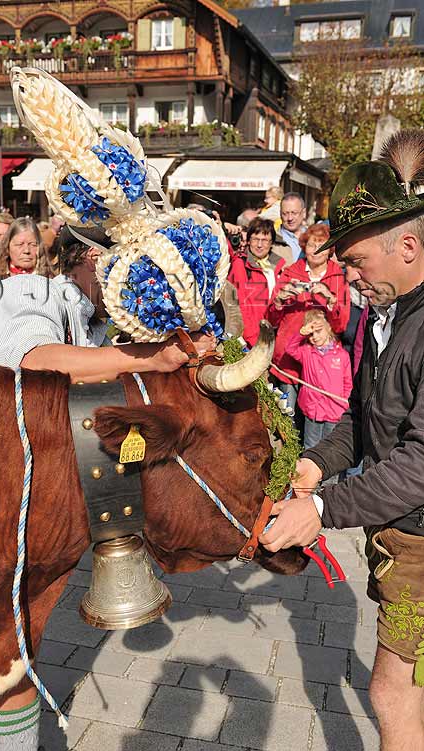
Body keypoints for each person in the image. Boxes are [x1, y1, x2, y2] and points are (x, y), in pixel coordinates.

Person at [260, 129, 424, 751]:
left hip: (422, 541)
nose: (348, 279)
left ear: (407, 246)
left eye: (357, 262)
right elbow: (359, 419)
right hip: (399, 536)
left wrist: (322, 510)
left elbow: (420, 462)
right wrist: (313, 467)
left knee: (389, 692)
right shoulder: (383, 320)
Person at [0, 225, 214, 382]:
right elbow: (38, 364)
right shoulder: (30, 288)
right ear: (96, 258)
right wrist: (156, 356)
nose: (143, 289)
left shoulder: (96, 332)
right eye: (138, 272)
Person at [266, 222, 350, 416]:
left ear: (330, 250)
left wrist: (330, 299)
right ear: (304, 246)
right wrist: (279, 300)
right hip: (289, 358)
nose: (316, 250)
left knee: (316, 419)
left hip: (322, 364)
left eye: (322, 245)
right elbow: (271, 319)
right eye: (312, 245)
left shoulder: (337, 277)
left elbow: (341, 325)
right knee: (287, 416)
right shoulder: (291, 272)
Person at [286, 309, 352, 452]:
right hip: (312, 410)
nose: (314, 337)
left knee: (331, 450)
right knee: (311, 446)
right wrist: (301, 333)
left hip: (334, 411)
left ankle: (331, 476)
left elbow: (348, 383)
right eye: (310, 334)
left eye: (318, 331)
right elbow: (290, 349)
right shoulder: (306, 352)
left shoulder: (342, 356)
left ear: (328, 327)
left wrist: (344, 403)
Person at [229, 217, 285, 347]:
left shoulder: (278, 267)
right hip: (250, 340)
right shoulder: (240, 264)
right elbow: (240, 306)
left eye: (265, 240)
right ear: (248, 241)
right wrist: (254, 340)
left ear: (272, 243)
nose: (259, 245)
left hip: (272, 337)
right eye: (255, 239)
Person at [279, 192, 307, 262]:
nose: (290, 218)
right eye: (285, 214)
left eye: (294, 213)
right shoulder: (275, 240)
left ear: (304, 213)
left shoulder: (314, 236)